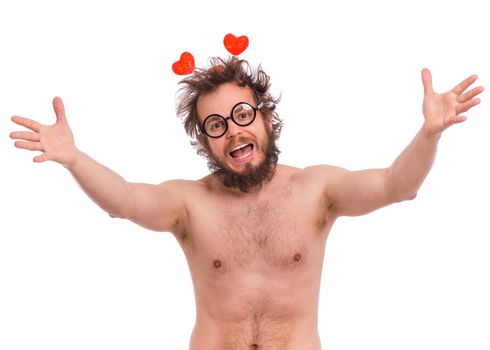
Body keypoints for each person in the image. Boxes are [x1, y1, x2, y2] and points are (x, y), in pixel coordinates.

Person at [10, 56, 483, 350]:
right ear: (205, 142)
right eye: (215, 125)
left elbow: (395, 186)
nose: (233, 130)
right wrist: (74, 159)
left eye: (242, 115)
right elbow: (126, 200)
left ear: (266, 118)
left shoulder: (318, 190)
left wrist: (427, 135)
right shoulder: (188, 203)